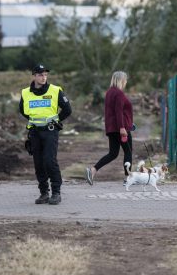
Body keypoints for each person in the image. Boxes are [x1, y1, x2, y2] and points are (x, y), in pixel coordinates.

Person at [19, 64, 72, 205]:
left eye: (45, 75)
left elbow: (67, 109)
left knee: (49, 161)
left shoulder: (55, 90)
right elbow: (23, 110)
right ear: (34, 76)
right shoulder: (25, 93)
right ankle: (44, 193)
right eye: (40, 75)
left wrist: (56, 121)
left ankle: (56, 192)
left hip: (50, 131)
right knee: (38, 163)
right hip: (35, 132)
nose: (44, 77)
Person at [85, 71, 134, 186]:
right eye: (125, 80)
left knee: (113, 153)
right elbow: (118, 112)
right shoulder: (119, 93)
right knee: (128, 152)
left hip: (112, 129)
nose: (126, 82)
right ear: (122, 80)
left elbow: (113, 112)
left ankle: (93, 170)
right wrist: (123, 127)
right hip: (120, 129)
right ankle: (128, 178)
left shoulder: (109, 92)